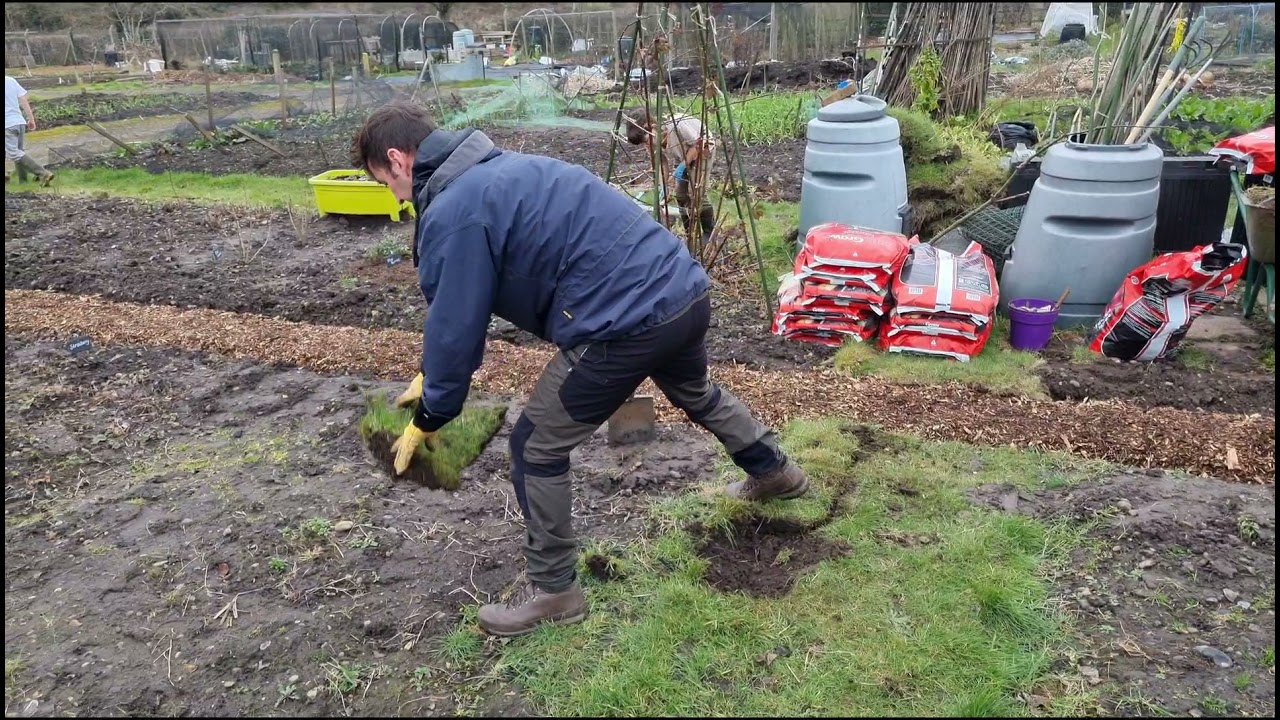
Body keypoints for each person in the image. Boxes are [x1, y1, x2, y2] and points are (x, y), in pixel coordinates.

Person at [351, 101, 808, 637]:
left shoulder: (456, 210)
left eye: (385, 182)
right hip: (680, 291)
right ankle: (776, 472)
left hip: (624, 322)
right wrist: (432, 374)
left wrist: (434, 412)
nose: (393, 195)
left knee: (536, 446)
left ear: (399, 160)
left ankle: (556, 592)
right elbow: (461, 314)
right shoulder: (507, 168)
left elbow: (455, 326)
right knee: (694, 389)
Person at [624, 107, 717, 243]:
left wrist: (680, 168)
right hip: (685, 153)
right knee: (680, 195)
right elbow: (661, 162)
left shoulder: (676, 125)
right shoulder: (651, 138)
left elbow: (698, 145)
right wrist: (664, 186)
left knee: (695, 193)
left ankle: (709, 232)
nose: (646, 145)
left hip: (704, 150)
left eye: (645, 141)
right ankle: (690, 234)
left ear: (650, 127)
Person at [5, 75, 55, 186]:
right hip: (19, 122)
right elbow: (23, 99)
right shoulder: (11, 80)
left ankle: (43, 173)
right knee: (19, 152)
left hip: (7, 125)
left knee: (14, 153)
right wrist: (31, 118)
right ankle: (23, 183)